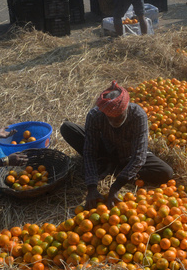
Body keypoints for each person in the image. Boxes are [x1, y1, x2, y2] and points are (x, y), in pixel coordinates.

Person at [60, 81, 174, 209]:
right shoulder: (95, 115)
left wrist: (116, 186)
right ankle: (105, 163)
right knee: (67, 128)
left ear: (126, 108)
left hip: (129, 156)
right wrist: (91, 187)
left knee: (166, 172)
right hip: (106, 151)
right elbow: (89, 151)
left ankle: (119, 170)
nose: (114, 121)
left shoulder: (138, 115)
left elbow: (139, 156)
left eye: (119, 117)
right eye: (110, 118)